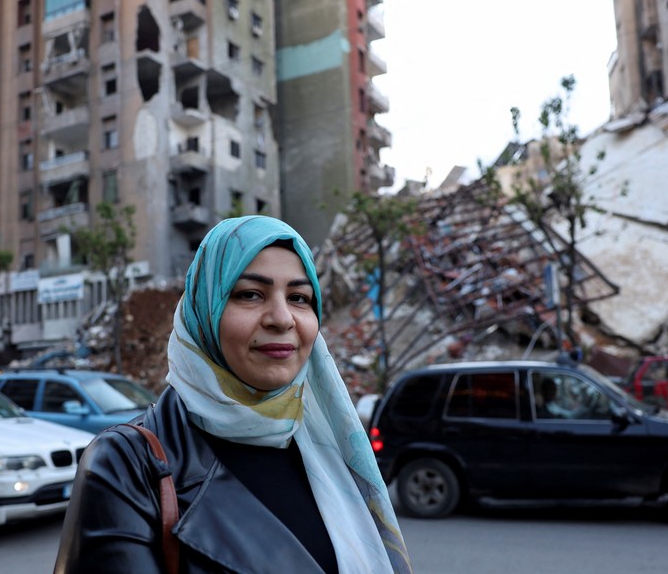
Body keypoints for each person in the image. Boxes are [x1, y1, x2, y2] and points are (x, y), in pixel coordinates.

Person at [54, 215, 412, 573]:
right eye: (250, 294)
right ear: (203, 311)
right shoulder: (125, 467)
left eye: (299, 297)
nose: (282, 318)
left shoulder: (332, 449)